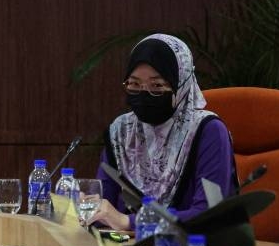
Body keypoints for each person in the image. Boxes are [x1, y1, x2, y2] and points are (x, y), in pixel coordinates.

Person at [88, 33, 237, 230]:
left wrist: (129, 221)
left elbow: (209, 213)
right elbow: (104, 204)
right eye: (134, 84)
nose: (144, 94)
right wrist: (87, 206)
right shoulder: (122, 132)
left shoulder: (207, 130)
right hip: (129, 245)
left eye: (157, 85)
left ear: (181, 84)